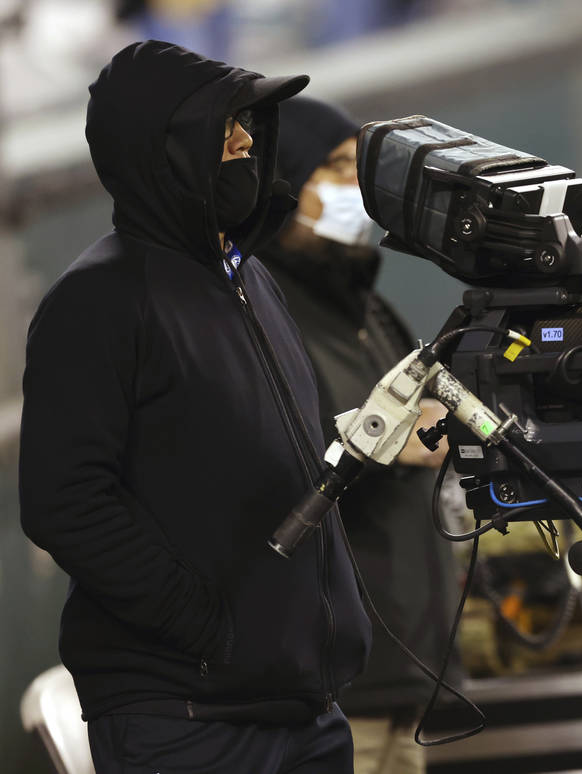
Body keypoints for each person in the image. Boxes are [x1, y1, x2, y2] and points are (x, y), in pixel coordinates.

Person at [19, 41, 371, 773]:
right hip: (188, 721)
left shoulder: (249, 281)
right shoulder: (100, 300)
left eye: (248, 121)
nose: (246, 140)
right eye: (225, 125)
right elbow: (64, 503)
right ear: (166, 149)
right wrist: (211, 629)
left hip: (301, 708)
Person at [257, 95, 461, 774]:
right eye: (336, 170)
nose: (356, 191)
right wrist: (379, 443)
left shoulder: (369, 308)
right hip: (333, 689)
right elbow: (250, 454)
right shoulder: (259, 310)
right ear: (282, 184)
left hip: (410, 667)